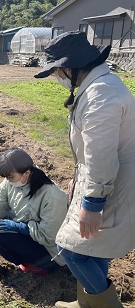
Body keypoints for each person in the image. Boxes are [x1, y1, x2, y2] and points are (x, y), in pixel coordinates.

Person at [34, 30, 135, 307]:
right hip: (108, 180)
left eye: (57, 71)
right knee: (95, 247)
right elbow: (90, 152)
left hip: (115, 184)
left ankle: (106, 305)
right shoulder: (100, 86)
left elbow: (101, 157)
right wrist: (78, 182)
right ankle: (86, 302)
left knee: (71, 250)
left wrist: (91, 203)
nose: (58, 77)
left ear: (69, 67)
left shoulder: (100, 94)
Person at [0, 148, 69, 276]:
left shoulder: (52, 196)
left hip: (52, 252)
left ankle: (45, 267)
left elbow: (50, 235)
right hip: (33, 238)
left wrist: (21, 227)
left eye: (10, 176)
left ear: (27, 173)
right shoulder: (12, 182)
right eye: (6, 177)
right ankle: (29, 263)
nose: (7, 180)